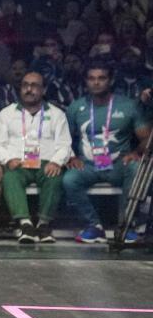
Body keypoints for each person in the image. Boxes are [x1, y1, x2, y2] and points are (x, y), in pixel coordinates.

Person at [62, 64, 150, 244]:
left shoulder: (128, 105)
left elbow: (147, 137)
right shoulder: (76, 107)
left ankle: (126, 225)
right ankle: (94, 226)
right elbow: (64, 139)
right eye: (91, 78)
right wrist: (71, 156)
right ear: (86, 82)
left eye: (101, 78)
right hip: (87, 165)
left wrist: (135, 152)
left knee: (135, 169)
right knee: (69, 179)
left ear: (110, 81)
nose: (96, 82)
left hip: (119, 164)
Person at [0, 72, 72, 244]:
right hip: (18, 163)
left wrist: (56, 161)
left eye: (35, 85)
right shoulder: (6, 113)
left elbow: (65, 144)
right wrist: (7, 160)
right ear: (20, 89)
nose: (29, 89)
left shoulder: (57, 114)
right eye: (25, 85)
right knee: (10, 176)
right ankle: (25, 224)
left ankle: (43, 225)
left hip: (46, 163)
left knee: (55, 176)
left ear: (43, 90)